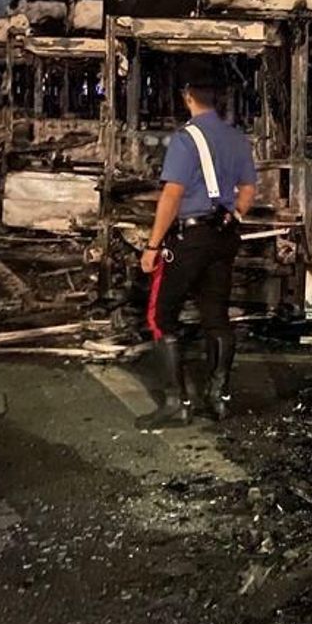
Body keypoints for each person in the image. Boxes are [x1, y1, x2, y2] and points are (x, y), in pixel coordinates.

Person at [137, 65, 256, 429]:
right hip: (224, 235)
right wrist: (233, 215)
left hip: (190, 239)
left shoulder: (185, 139)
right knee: (216, 317)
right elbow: (248, 191)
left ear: (187, 96)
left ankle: (177, 403)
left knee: (161, 317)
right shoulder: (237, 137)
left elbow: (172, 195)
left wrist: (152, 246)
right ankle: (218, 399)